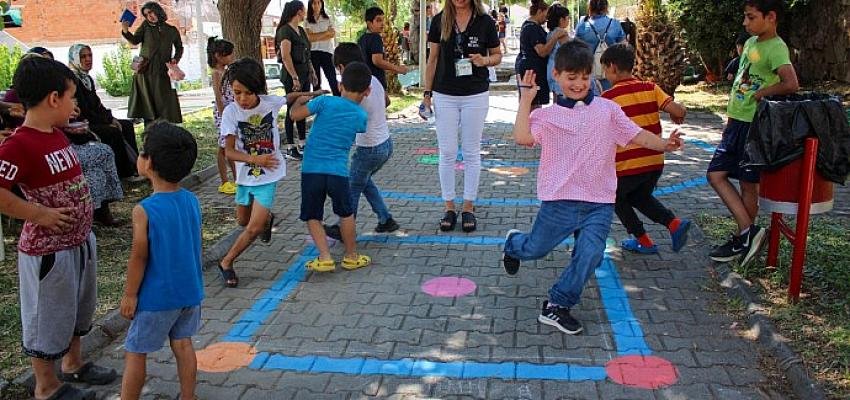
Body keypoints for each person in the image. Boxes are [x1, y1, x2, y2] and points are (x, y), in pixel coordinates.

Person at [504, 41, 684, 334]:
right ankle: (514, 244)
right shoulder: (546, 115)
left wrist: (665, 144)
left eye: (584, 77)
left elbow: (638, 135)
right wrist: (526, 101)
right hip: (559, 201)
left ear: (593, 75)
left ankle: (557, 304)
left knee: (591, 253)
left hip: (599, 202)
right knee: (535, 249)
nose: (578, 84)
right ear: (557, 76)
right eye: (571, 77)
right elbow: (523, 137)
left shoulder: (607, 111)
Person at [0, 56, 117, 400]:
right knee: (49, 316)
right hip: (48, 252)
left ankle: (74, 363)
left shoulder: (56, 134)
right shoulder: (18, 145)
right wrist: (38, 214)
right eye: (70, 97)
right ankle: (46, 386)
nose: (74, 104)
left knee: (77, 308)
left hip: (78, 242)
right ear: (53, 99)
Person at [707, 0, 798, 266]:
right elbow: (741, 80)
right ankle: (750, 232)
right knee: (716, 174)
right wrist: (730, 119)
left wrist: (762, 93)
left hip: (754, 126)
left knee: (748, 183)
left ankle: (743, 237)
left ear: (771, 17)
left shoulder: (777, 48)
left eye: (751, 17)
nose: (745, 23)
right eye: (745, 17)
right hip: (737, 122)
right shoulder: (750, 44)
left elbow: (791, 83)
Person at [119, 122, 202, 400]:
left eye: (142, 153)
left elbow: (139, 256)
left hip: (157, 298)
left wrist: (130, 294)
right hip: (189, 292)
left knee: (135, 350)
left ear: (149, 162)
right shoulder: (191, 200)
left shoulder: (144, 210)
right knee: (183, 344)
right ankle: (188, 396)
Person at [600, 43, 692, 254]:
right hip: (654, 162)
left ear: (612, 67)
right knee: (639, 197)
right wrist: (677, 113)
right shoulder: (651, 88)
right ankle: (674, 225)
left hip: (627, 165)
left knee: (614, 198)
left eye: (605, 70)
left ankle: (643, 239)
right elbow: (678, 110)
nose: (605, 75)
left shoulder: (608, 99)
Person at [422, 0, 502, 233]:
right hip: (444, 93)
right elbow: (433, 59)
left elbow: (497, 54)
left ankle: (468, 206)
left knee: (470, 151)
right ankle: (449, 206)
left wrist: (484, 60)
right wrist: (427, 94)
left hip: (475, 94)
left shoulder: (485, 21)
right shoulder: (439, 20)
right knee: (446, 151)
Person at [290, 62, 372, 272]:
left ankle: (325, 257)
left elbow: (295, 115)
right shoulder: (361, 116)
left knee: (312, 214)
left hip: (312, 169)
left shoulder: (325, 102)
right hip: (338, 171)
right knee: (346, 213)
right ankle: (351, 256)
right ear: (367, 91)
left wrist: (299, 100)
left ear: (340, 85)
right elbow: (358, 128)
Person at [217, 58, 285, 288]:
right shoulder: (231, 113)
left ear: (257, 89)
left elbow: (290, 98)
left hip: (269, 175)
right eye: (237, 93)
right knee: (243, 221)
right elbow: (228, 152)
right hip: (245, 175)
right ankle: (267, 218)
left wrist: (314, 93)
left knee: (253, 228)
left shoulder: (270, 103)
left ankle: (226, 262)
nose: (243, 99)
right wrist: (254, 159)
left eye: (248, 93)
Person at [323, 43, 400, 241]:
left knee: (351, 187)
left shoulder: (352, 88)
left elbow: (344, 117)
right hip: (385, 144)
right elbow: (387, 101)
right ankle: (386, 219)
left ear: (341, 67)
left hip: (370, 148)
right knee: (363, 182)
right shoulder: (373, 78)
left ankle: (344, 228)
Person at [68, 43, 141, 180]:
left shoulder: (87, 79)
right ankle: (123, 173)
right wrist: (107, 122)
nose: (88, 59)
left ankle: (136, 166)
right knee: (111, 132)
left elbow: (97, 104)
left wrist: (110, 118)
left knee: (126, 125)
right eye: (83, 56)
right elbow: (84, 110)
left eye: (90, 55)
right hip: (82, 123)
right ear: (75, 58)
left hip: (96, 119)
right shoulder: (73, 80)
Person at [121, 1, 183, 125]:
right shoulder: (145, 26)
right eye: (146, 14)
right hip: (146, 72)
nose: (149, 16)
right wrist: (125, 30)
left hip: (163, 72)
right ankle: (149, 134)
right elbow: (135, 41)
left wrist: (175, 58)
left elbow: (179, 47)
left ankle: (165, 131)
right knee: (148, 106)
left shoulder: (171, 30)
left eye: (151, 12)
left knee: (164, 104)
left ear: (158, 11)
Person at [275, 0, 317, 161]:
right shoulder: (285, 31)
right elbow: (286, 56)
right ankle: (291, 146)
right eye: (304, 10)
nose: (305, 13)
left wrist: (312, 71)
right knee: (292, 109)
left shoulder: (301, 30)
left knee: (302, 108)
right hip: (292, 77)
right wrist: (294, 77)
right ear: (298, 11)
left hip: (305, 74)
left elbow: (307, 54)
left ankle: (302, 142)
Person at [516, 0, 567, 108]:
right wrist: (555, 37)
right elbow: (542, 52)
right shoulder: (531, 28)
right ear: (539, 11)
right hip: (531, 70)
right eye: (546, 14)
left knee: (535, 103)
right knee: (532, 104)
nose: (547, 18)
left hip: (533, 69)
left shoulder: (532, 26)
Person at [208, 36, 238, 195]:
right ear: (219, 56)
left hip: (230, 111)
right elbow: (219, 96)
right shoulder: (216, 73)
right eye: (229, 54)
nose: (232, 57)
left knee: (228, 146)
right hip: (223, 114)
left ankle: (235, 178)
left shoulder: (226, 71)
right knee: (224, 147)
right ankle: (226, 181)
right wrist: (223, 115)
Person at [574, 0, 625, 91]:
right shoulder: (614, 23)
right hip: (612, 71)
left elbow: (575, 49)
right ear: (606, 7)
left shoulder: (582, 25)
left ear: (590, 7)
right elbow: (623, 47)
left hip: (588, 73)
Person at [359, 7, 410, 93]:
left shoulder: (362, 39)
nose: (382, 24)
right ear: (369, 23)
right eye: (378, 20)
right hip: (376, 83)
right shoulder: (376, 38)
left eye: (383, 20)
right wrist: (398, 69)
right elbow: (377, 61)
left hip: (365, 84)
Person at [305, 0, 340, 96]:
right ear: (310, 5)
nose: (316, 5)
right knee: (316, 80)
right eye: (314, 3)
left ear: (322, 4)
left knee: (332, 78)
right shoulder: (307, 20)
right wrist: (325, 33)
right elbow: (309, 38)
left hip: (327, 51)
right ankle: (318, 103)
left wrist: (315, 36)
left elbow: (332, 34)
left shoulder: (328, 18)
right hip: (313, 52)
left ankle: (338, 99)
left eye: (318, 3)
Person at [545, 4, 571, 100]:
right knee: (563, 100)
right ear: (561, 19)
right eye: (568, 18)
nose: (568, 20)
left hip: (551, 68)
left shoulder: (550, 33)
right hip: (561, 69)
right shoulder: (562, 34)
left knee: (556, 99)